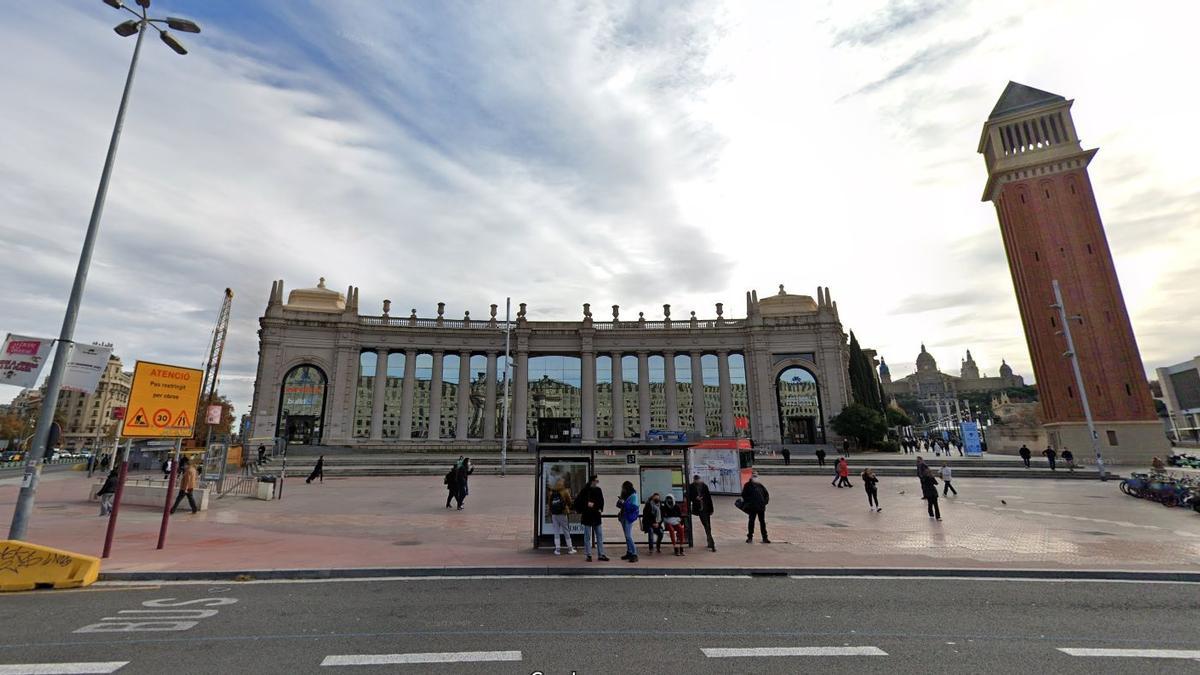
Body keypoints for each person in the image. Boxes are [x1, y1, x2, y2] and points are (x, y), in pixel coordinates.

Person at [575, 475, 609, 562]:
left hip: (595, 515)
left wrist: (597, 507)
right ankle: (589, 554)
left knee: (599, 535)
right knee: (588, 536)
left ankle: (601, 554)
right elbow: (578, 501)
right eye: (596, 481)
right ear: (592, 481)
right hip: (588, 515)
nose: (597, 482)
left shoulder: (598, 490)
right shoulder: (585, 490)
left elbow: (601, 501)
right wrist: (587, 504)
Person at [687, 474, 716, 552]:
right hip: (699, 508)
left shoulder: (704, 486)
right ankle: (711, 542)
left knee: (708, 525)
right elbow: (689, 496)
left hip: (706, 508)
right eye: (696, 480)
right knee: (706, 524)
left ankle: (710, 542)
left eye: (698, 479)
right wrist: (695, 498)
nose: (697, 481)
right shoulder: (691, 486)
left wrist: (711, 509)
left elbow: (709, 498)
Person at [548, 479, 576, 555]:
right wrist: (568, 507)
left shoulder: (551, 492)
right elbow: (569, 502)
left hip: (554, 514)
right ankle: (570, 549)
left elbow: (549, 503)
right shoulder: (565, 491)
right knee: (566, 530)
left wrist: (550, 512)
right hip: (563, 514)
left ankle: (557, 550)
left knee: (556, 531)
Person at [741, 472, 770, 543]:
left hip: (761, 507)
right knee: (751, 522)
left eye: (756, 476)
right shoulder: (747, 485)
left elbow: (766, 494)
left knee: (762, 522)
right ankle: (750, 537)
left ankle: (765, 537)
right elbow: (744, 495)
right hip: (752, 507)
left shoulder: (760, 485)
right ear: (751, 477)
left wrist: (764, 502)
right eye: (754, 476)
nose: (755, 477)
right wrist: (750, 502)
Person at [616, 481, 640, 562]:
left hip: (628, 517)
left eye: (624, 488)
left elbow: (634, 507)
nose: (623, 489)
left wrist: (624, 503)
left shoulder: (634, 496)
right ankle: (629, 552)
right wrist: (620, 502)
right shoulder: (624, 495)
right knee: (627, 536)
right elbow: (619, 505)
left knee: (628, 536)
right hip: (623, 516)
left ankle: (634, 553)